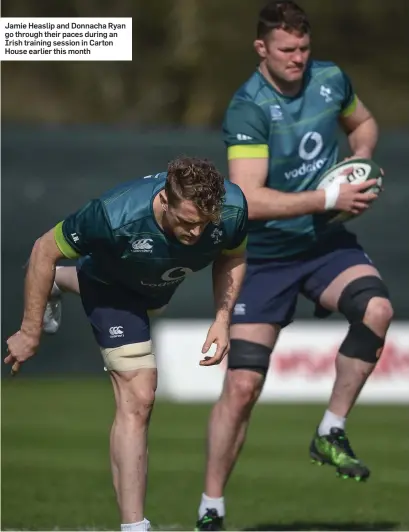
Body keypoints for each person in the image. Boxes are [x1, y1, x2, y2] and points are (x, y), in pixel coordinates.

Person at [195, 2, 393, 530]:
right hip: (261, 257)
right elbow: (251, 199)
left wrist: (361, 161)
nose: (298, 59)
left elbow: (365, 122)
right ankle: (211, 506)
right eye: (286, 50)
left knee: (376, 309)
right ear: (262, 48)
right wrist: (329, 198)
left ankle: (331, 429)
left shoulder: (330, 79)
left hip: (323, 245)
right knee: (240, 389)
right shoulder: (248, 107)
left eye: (304, 48)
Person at [4, 156, 248, 532]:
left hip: (156, 286)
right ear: (164, 201)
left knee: (148, 303)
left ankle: (61, 281)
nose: (196, 233)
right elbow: (43, 250)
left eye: (204, 224)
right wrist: (29, 330)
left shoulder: (232, 208)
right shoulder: (112, 215)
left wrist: (222, 318)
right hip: (113, 288)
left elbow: (232, 255)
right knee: (140, 393)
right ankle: (135, 526)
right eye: (186, 222)